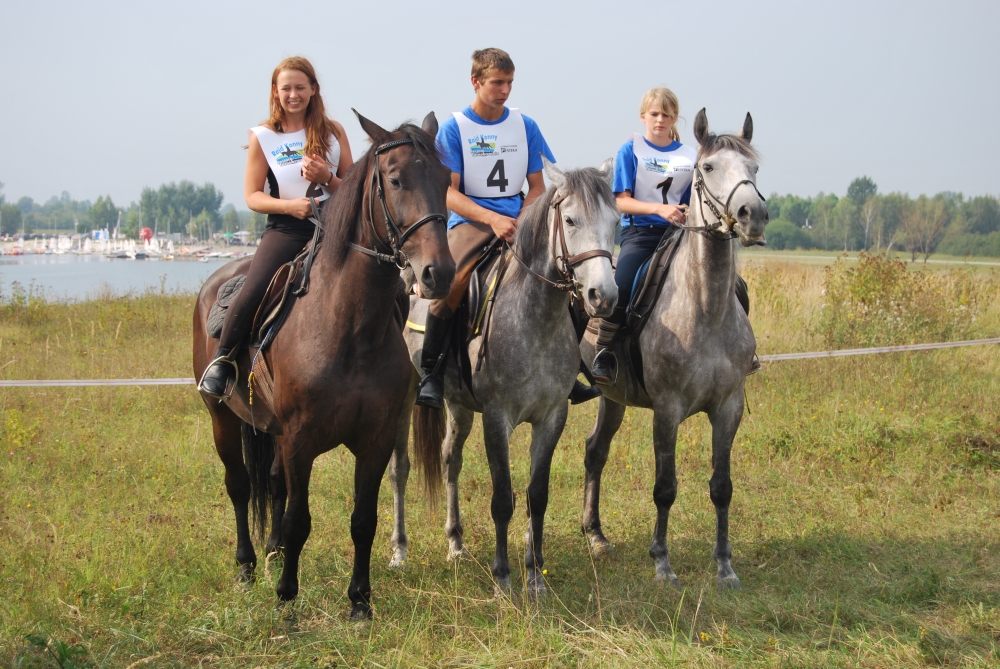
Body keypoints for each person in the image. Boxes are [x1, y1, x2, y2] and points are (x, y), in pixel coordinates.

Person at [416, 47, 599, 408]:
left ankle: (571, 367)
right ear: (476, 81)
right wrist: (492, 219)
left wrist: (524, 219)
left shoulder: (525, 126)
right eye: (497, 83)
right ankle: (432, 373)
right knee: (453, 282)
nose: (505, 90)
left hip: (521, 221)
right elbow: (448, 192)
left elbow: (538, 186)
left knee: (570, 278)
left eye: (510, 83)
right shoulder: (454, 128)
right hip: (471, 223)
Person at [198, 56, 353, 398]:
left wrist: (327, 178)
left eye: (300, 87)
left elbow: (351, 189)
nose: (293, 95)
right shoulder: (264, 136)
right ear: (275, 91)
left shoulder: (335, 131)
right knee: (255, 286)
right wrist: (290, 207)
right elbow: (252, 196)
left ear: (313, 89)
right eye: (286, 88)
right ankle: (223, 360)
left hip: (334, 226)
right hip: (287, 229)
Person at [591, 88, 757, 383]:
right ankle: (604, 350)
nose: (660, 120)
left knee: (734, 284)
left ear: (675, 118)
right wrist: (660, 209)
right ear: (643, 116)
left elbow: (701, 196)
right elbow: (621, 202)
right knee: (622, 284)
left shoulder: (690, 155)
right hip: (641, 234)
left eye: (666, 115)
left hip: (682, 234)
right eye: (654, 114)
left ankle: (742, 348)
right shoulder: (630, 151)